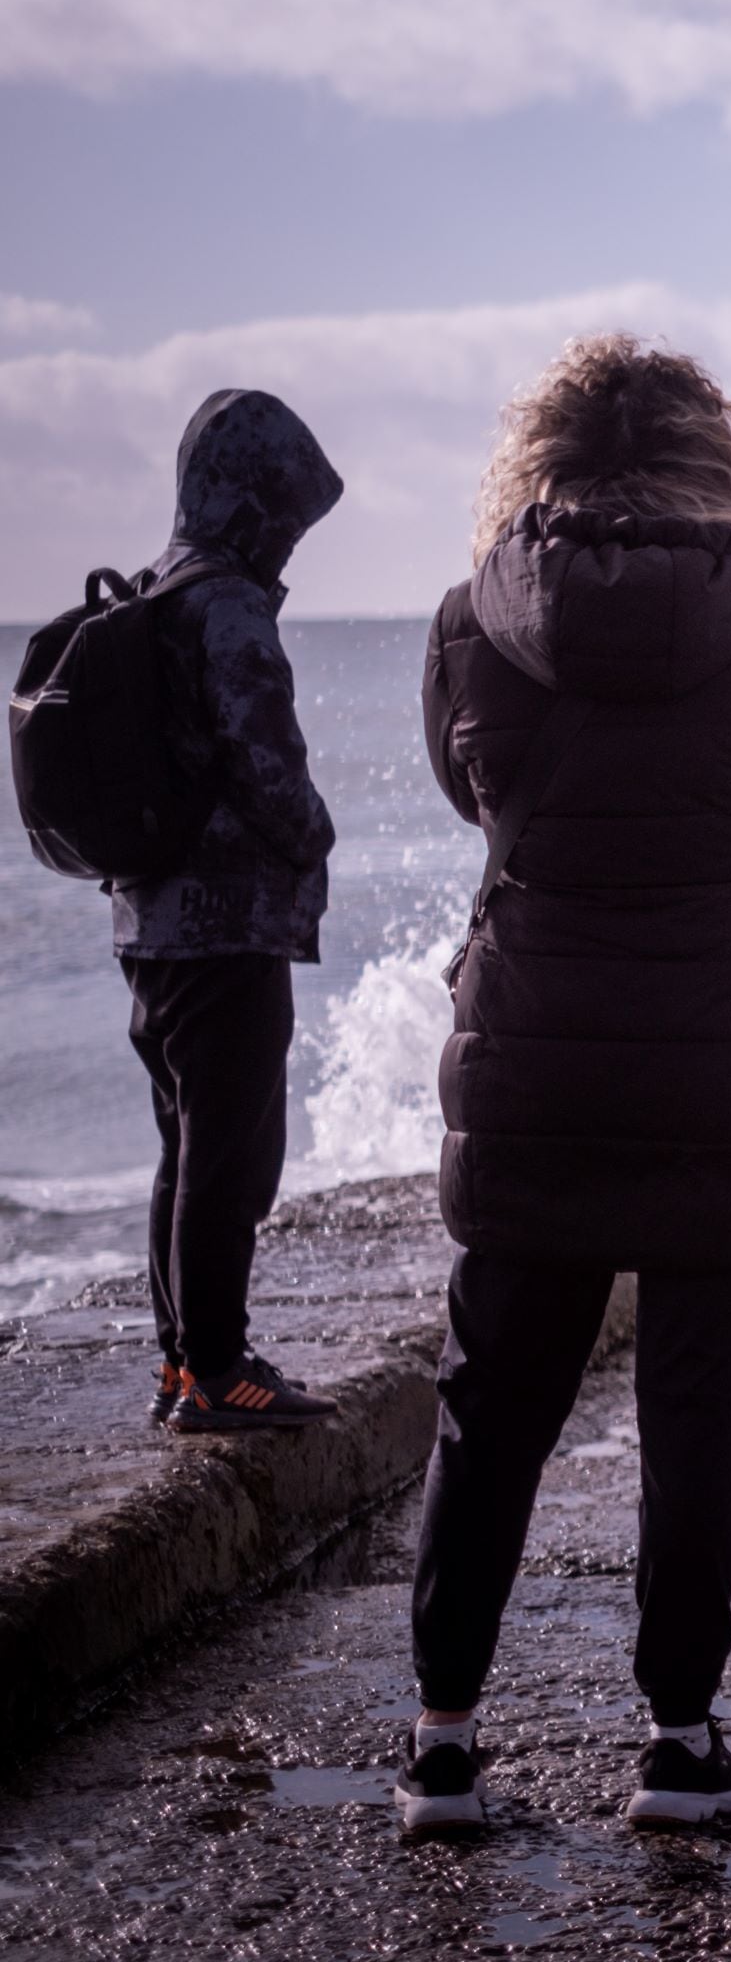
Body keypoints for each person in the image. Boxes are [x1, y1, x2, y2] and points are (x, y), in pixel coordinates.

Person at [392, 336, 731, 1839]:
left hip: (538, 1066)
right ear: (714, 462)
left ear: (539, 461)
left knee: (491, 1417)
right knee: (700, 1424)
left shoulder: (471, 622)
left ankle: (441, 1747)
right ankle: (679, 1743)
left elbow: (468, 789)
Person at [115, 391, 346, 1435]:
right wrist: (317, 834)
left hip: (152, 927)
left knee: (184, 1151)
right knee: (234, 1160)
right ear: (252, 503)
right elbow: (269, 768)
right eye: (285, 517)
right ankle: (220, 1369)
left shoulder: (158, 589)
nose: (288, 540)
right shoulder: (232, 607)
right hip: (226, 928)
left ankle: (180, 1363)